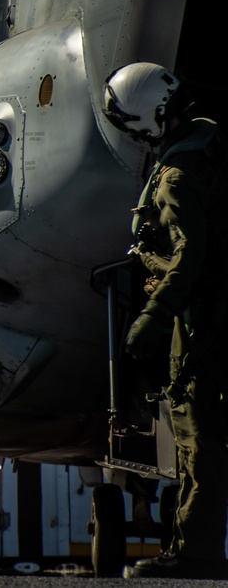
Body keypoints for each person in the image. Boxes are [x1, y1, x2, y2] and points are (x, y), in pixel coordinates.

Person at [103, 62, 228, 580]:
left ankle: (194, 554)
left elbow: (188, 259)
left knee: (197, 436)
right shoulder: (213, 142)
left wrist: (151, 318)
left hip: (202, 318)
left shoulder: (176, 176)